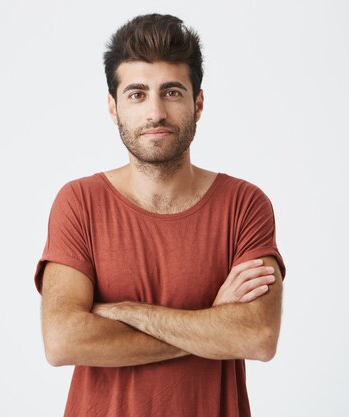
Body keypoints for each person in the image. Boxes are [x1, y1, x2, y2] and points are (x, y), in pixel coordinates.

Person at [34, 13, 286, 417]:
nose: (155, 113)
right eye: (137, 94)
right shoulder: (79, 202)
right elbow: (62, 340)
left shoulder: (244, 205)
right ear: (113, 107)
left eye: (171, 92)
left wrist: (125, 312)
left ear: (197, 103)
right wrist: (212, 323)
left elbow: (257, 336)